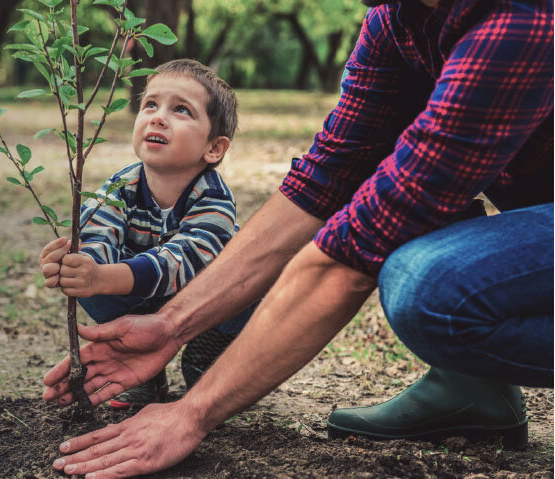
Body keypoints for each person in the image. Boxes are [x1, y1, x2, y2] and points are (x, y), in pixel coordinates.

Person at [41, 0, 553, 477]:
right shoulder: (394, 22)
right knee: (399, 183)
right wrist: (169, 325)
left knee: (428, 286)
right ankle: (472, 389)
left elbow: (350, 256)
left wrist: (191, 413)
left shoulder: (519, 22)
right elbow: (324, 181)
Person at [39, 59, 256, 409]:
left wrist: (107, 275)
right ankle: (144, 370)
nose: (158, 116)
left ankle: (211, 349)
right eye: (150, 105)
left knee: (251, 292)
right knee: (92, 287)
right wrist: (79, 266)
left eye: (181, 110)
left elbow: (183, 262)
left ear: (213, 147)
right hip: (140, 297)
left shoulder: (214, 198)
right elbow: (98, 234)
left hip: (204, 301)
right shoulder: (121, 186)